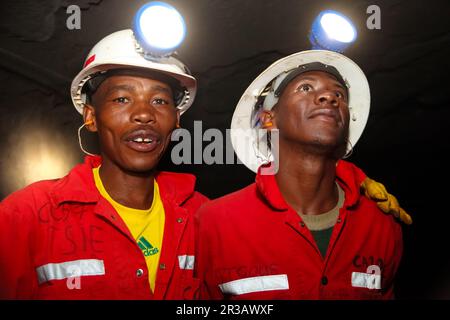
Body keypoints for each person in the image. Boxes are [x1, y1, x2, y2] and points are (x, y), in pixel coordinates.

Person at [0, 29, 207, 299]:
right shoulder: (25, 215)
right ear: (91, 117)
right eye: (122, 99)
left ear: (176, 120)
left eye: (160, 101)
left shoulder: (202, 216)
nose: (144, 114)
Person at [195, 50, 409, 300]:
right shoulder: (215, 222)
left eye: (338, 94)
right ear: (269, 120)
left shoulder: (381, 225)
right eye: (306, 88)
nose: (329, 97)